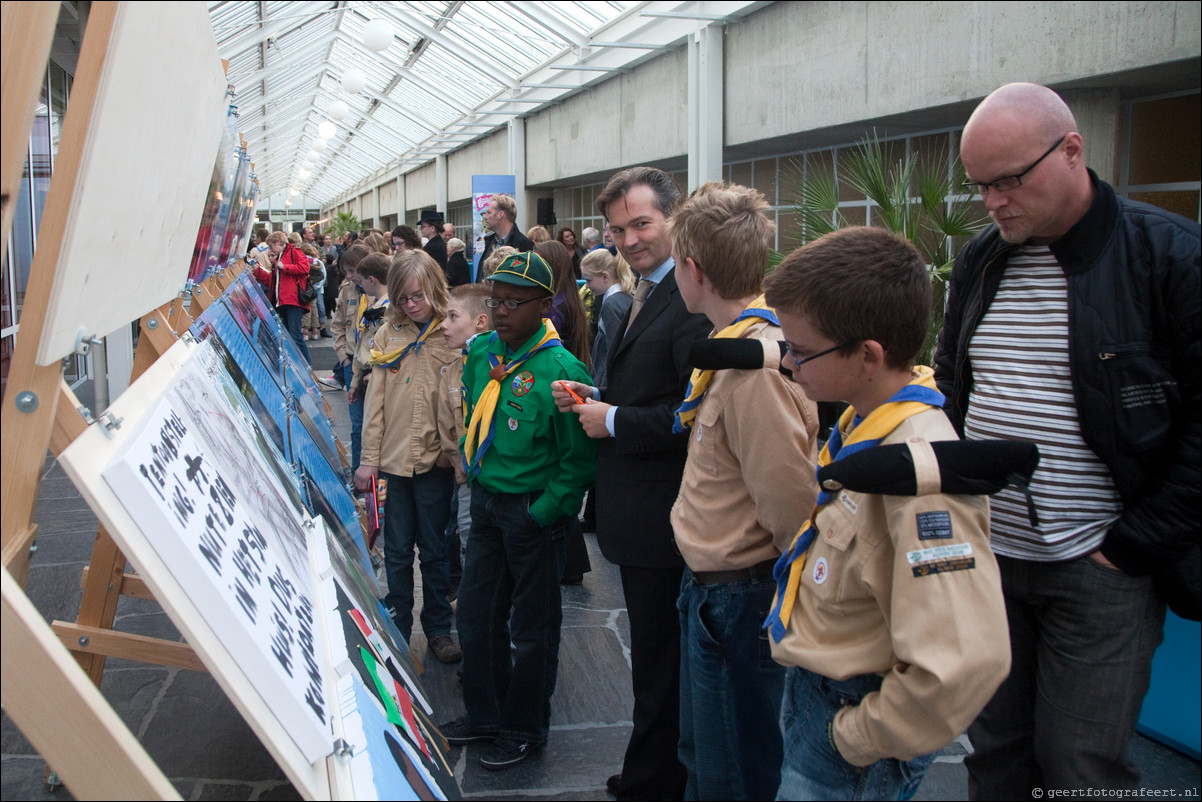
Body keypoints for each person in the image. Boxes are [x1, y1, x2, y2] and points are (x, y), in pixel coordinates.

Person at [934, 82, 1201, 798]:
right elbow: (956, 388)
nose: (993, 201)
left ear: (1073, 151)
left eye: (1010, 180)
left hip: (1100, 567)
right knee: (993, 758)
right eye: (981, 186)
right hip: (989, 558)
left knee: (1082, 767)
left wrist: (1131, 548)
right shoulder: (984, 260)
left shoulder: (1168, 256)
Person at [764, 225, 1010, 801]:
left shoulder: (920, 472)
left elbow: (964, 662)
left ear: (868, 355)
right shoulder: (861, 421)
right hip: (820, 694)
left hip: (852, 727)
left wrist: (855, 737)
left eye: (801, 351)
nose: (789, 364)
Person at [553, 166, 712, 801]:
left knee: (661, 659)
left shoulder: (692, 300)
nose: (629, 239)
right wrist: (603, 397)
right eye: (618, 229)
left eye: (642, 224)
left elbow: (696, 415)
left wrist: (612, 418)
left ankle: (656, 781)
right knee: (655, 657)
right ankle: (654, 770)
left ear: (674, 219)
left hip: (664, 510)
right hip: (640, 505)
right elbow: (657, 390)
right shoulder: (646, 290)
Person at [667, 181, 819, 800]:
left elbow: (789, 502)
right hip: (713, 594)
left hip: (740, 599)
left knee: (733, 771)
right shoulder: (733, 350)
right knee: (706, 755)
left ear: (693, 270)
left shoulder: (753, 369)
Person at [441, 252, 597, 771]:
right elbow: (472, 410)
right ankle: (484, 714)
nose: (502, 311)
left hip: (532, 512)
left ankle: (525, 728)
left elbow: (578, 461)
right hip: (485, 501)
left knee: (532, 630)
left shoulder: (560, 370)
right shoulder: (484, 351)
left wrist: (545, 511)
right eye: (496, 301)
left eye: (514, 302)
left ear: (544, 305)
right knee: (478, 614)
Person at [354, 250, 463, 665]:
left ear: (434, 289)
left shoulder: (452, 333)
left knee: (436, 549)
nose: (410, 305)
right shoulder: (387, 335)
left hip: (436, 463)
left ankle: (438, 628)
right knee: (397, 550)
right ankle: (398, 628)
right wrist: (368, 460)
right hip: (394, 464)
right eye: (402, 298)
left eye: (417, 296)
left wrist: (454, 455)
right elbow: (375, 403)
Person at [437, 283, 492, 596]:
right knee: (468, 546)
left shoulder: (497, 366)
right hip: (468, 481)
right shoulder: (453, 371)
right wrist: (462, 476)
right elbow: (449, 432)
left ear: (480, 322)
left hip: (500, 482)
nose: (444, 324)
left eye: (452, 316)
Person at [580, 248, 634, 389]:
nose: (586, 285)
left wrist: (604, 388)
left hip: (607, 383)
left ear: (605, 276)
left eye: (589, 280)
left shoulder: (611, 304)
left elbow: (612, 352)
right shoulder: (625, 296)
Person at [257, 231, 311, 362]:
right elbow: (272, 280)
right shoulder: (282, 256)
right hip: (284, 301)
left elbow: (305, 268)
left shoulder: (294, 253)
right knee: (290, 335)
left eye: (271, 245)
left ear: (279, 243)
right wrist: (257, 270)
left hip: (291, 301)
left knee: (295, 335)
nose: (270, 249)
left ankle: (306, 364)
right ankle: (301, 364)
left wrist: (283, 266)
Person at [478, 194, 534, 268]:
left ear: (500, 215)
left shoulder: (525, 246)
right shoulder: (490, 241)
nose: (485, 217)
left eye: (488, 213)